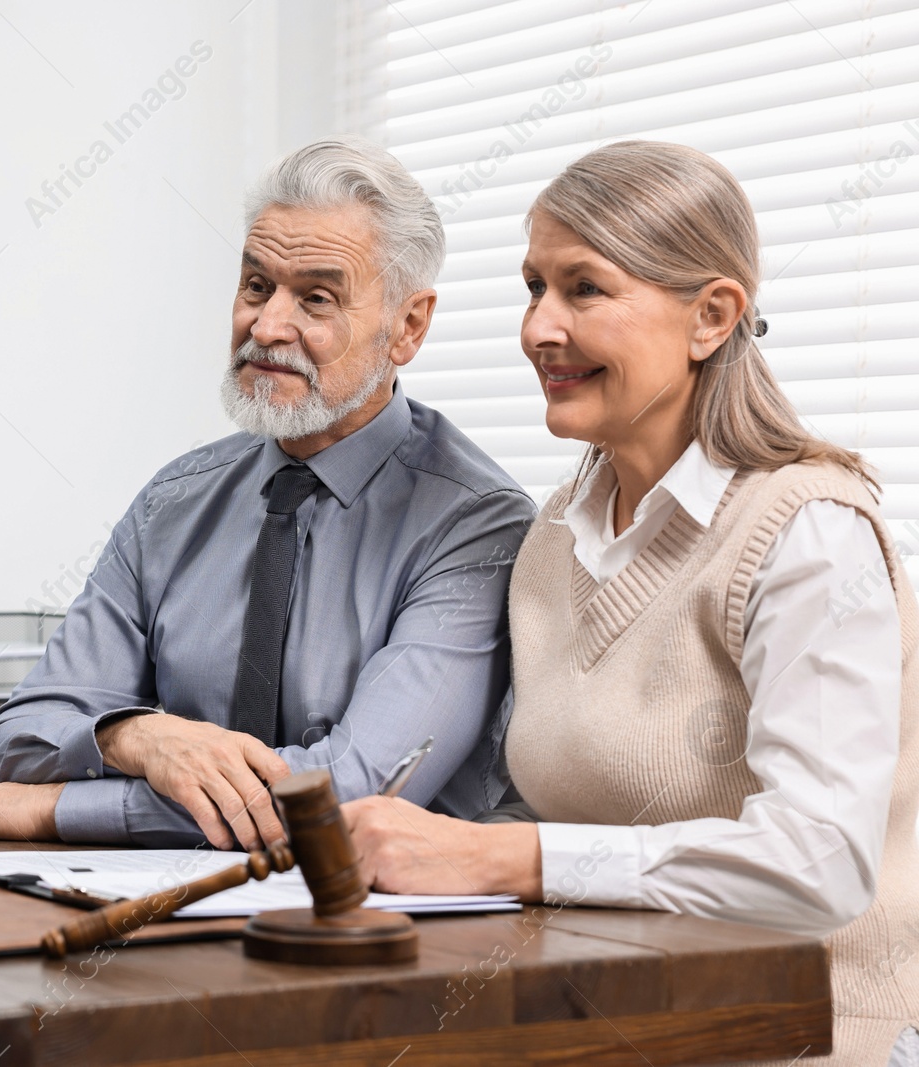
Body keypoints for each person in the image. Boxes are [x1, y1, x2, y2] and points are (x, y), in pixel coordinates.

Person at [342, 141, 918, 1066]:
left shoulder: (808, 533)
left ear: (712, 316)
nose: (538, 327)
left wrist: (510, 858)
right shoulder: (553, 537)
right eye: (534, 286)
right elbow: (565, 818)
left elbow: (822, 865)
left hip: (810, 1036)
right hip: (616, 1026)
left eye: (584, 289)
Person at [0, 138, 535, 849]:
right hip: (170, 925)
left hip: (383, 935)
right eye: (256, 286)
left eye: (315, 298)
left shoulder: (475, 524)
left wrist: (52, 809)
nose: (265, 326)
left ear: (407, 326)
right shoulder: (175, 502)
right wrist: (139, 736)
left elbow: (346, 793)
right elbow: (11, 742)